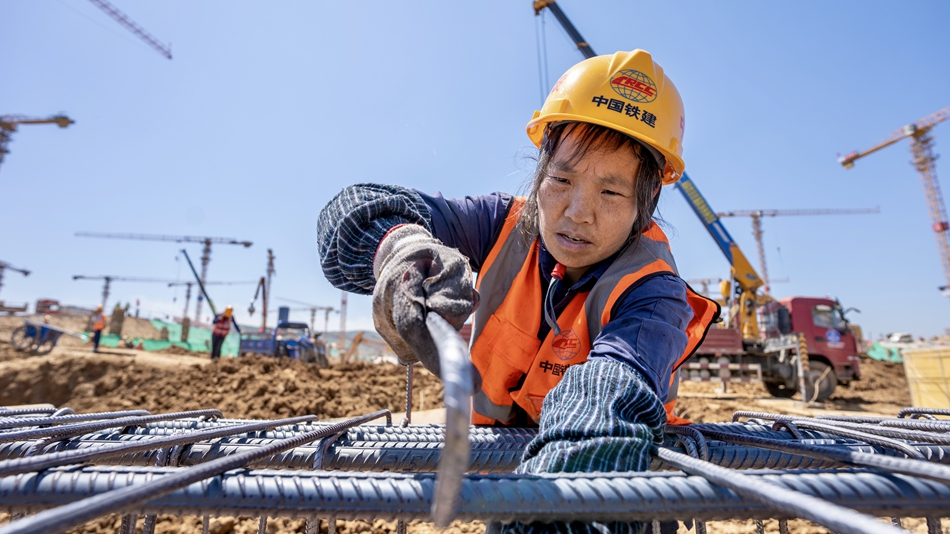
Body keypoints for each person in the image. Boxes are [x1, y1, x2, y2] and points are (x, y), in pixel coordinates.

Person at [317, 49, 718, 533]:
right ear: (540, 171)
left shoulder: (654, 293)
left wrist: (546, 505)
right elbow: (354, 210)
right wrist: (403, 252)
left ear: (646, 202)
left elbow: (609, 394)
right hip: (508, 474)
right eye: (562, 180)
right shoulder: (501, 225)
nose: (576, 212)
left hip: (616, 496)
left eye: (611, 193)